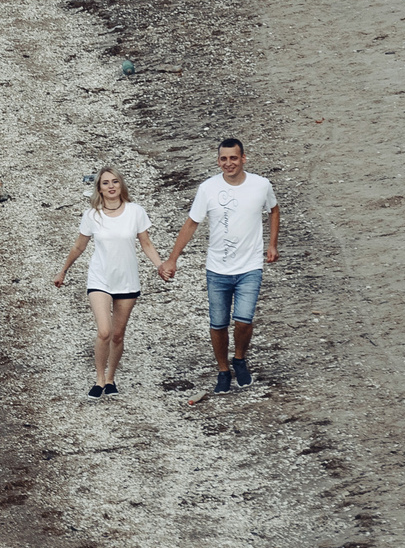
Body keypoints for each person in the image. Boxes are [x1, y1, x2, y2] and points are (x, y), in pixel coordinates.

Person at [158, 137, 279, 395]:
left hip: (250, 266)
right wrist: (172, 258)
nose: (229, 163)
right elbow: (191, 223)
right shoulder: (208, 188)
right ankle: (223, 370)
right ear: (218, 161)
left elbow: (274, 210)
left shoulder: (261, 185)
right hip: (217, 268)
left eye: (233, 158)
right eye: (223, 159)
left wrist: (272, 244)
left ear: (243, 158)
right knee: (218, 323)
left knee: (244, 320)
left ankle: (240, 358)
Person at [50, 167, 159, 399]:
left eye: (115, 182)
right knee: (104, 331)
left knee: (118, 335)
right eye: (106, 183)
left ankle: (110, 379)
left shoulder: (135, 211)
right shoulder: (92, 215)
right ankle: (99, 380)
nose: (111, 186)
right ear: (99, 188)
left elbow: (146, 244)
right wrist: (63, 271)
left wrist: (161, 265)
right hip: (100, 279)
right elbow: (79, 246)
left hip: (127, 281)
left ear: (121, 185)